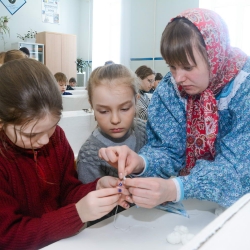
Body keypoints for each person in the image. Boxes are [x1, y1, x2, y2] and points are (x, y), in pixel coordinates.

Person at [98, 8, 250, 210]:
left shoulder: (244, 89)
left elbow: (238, 169)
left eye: (188, 67)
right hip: (192, 200)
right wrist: (143, 162)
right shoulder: (171, 88)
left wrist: (175, 188)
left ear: (214, 56)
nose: (178, 78)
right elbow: (168, 149)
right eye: (171, 66)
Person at [0, 58, 129, 249]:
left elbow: (67, 191)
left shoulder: (56, 138)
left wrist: (95, 189)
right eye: (31, 134)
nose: (44, 140)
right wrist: (77, 215)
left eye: (52, 127)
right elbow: (8, 236)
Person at [77, 64, 147, 225]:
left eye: (124, 108)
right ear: (92, 106)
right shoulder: (89, 153)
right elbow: (91, 208)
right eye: (104, 111)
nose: (115, 120)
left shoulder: (144, 131)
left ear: (136, 101)